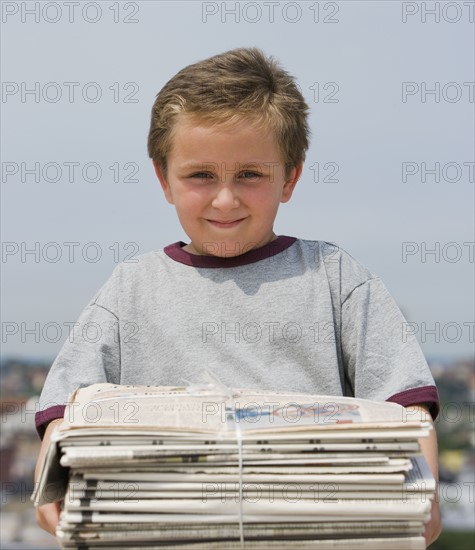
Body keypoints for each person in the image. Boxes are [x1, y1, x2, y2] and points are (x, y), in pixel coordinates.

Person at [34, 47, 441, 545]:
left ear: (289, 177)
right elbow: (65, 412)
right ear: (164, 178)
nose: (225, 199)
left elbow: (408, 408)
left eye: (250, 174)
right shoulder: (130, 288)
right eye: (201, 175)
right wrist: (52, 485)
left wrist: (426, 491)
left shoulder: (334, 278)